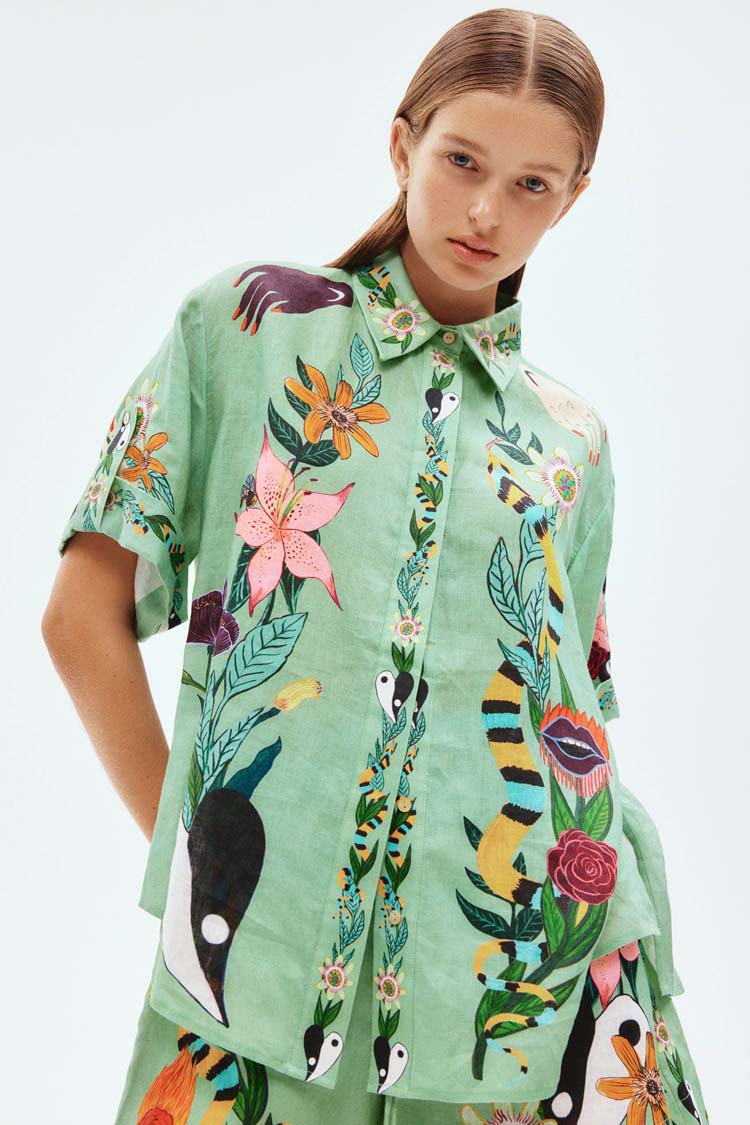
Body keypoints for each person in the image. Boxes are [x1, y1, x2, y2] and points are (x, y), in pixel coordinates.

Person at [42, 7, 711, 1124]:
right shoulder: (251, 327)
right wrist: (202, 857)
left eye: (533, 185)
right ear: (404, 145)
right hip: (257, 977)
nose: (487, 212)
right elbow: (80, 616)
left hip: (517, 989)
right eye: (463, 162)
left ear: (574, 198)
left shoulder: (572, 443)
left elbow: (571, 718)